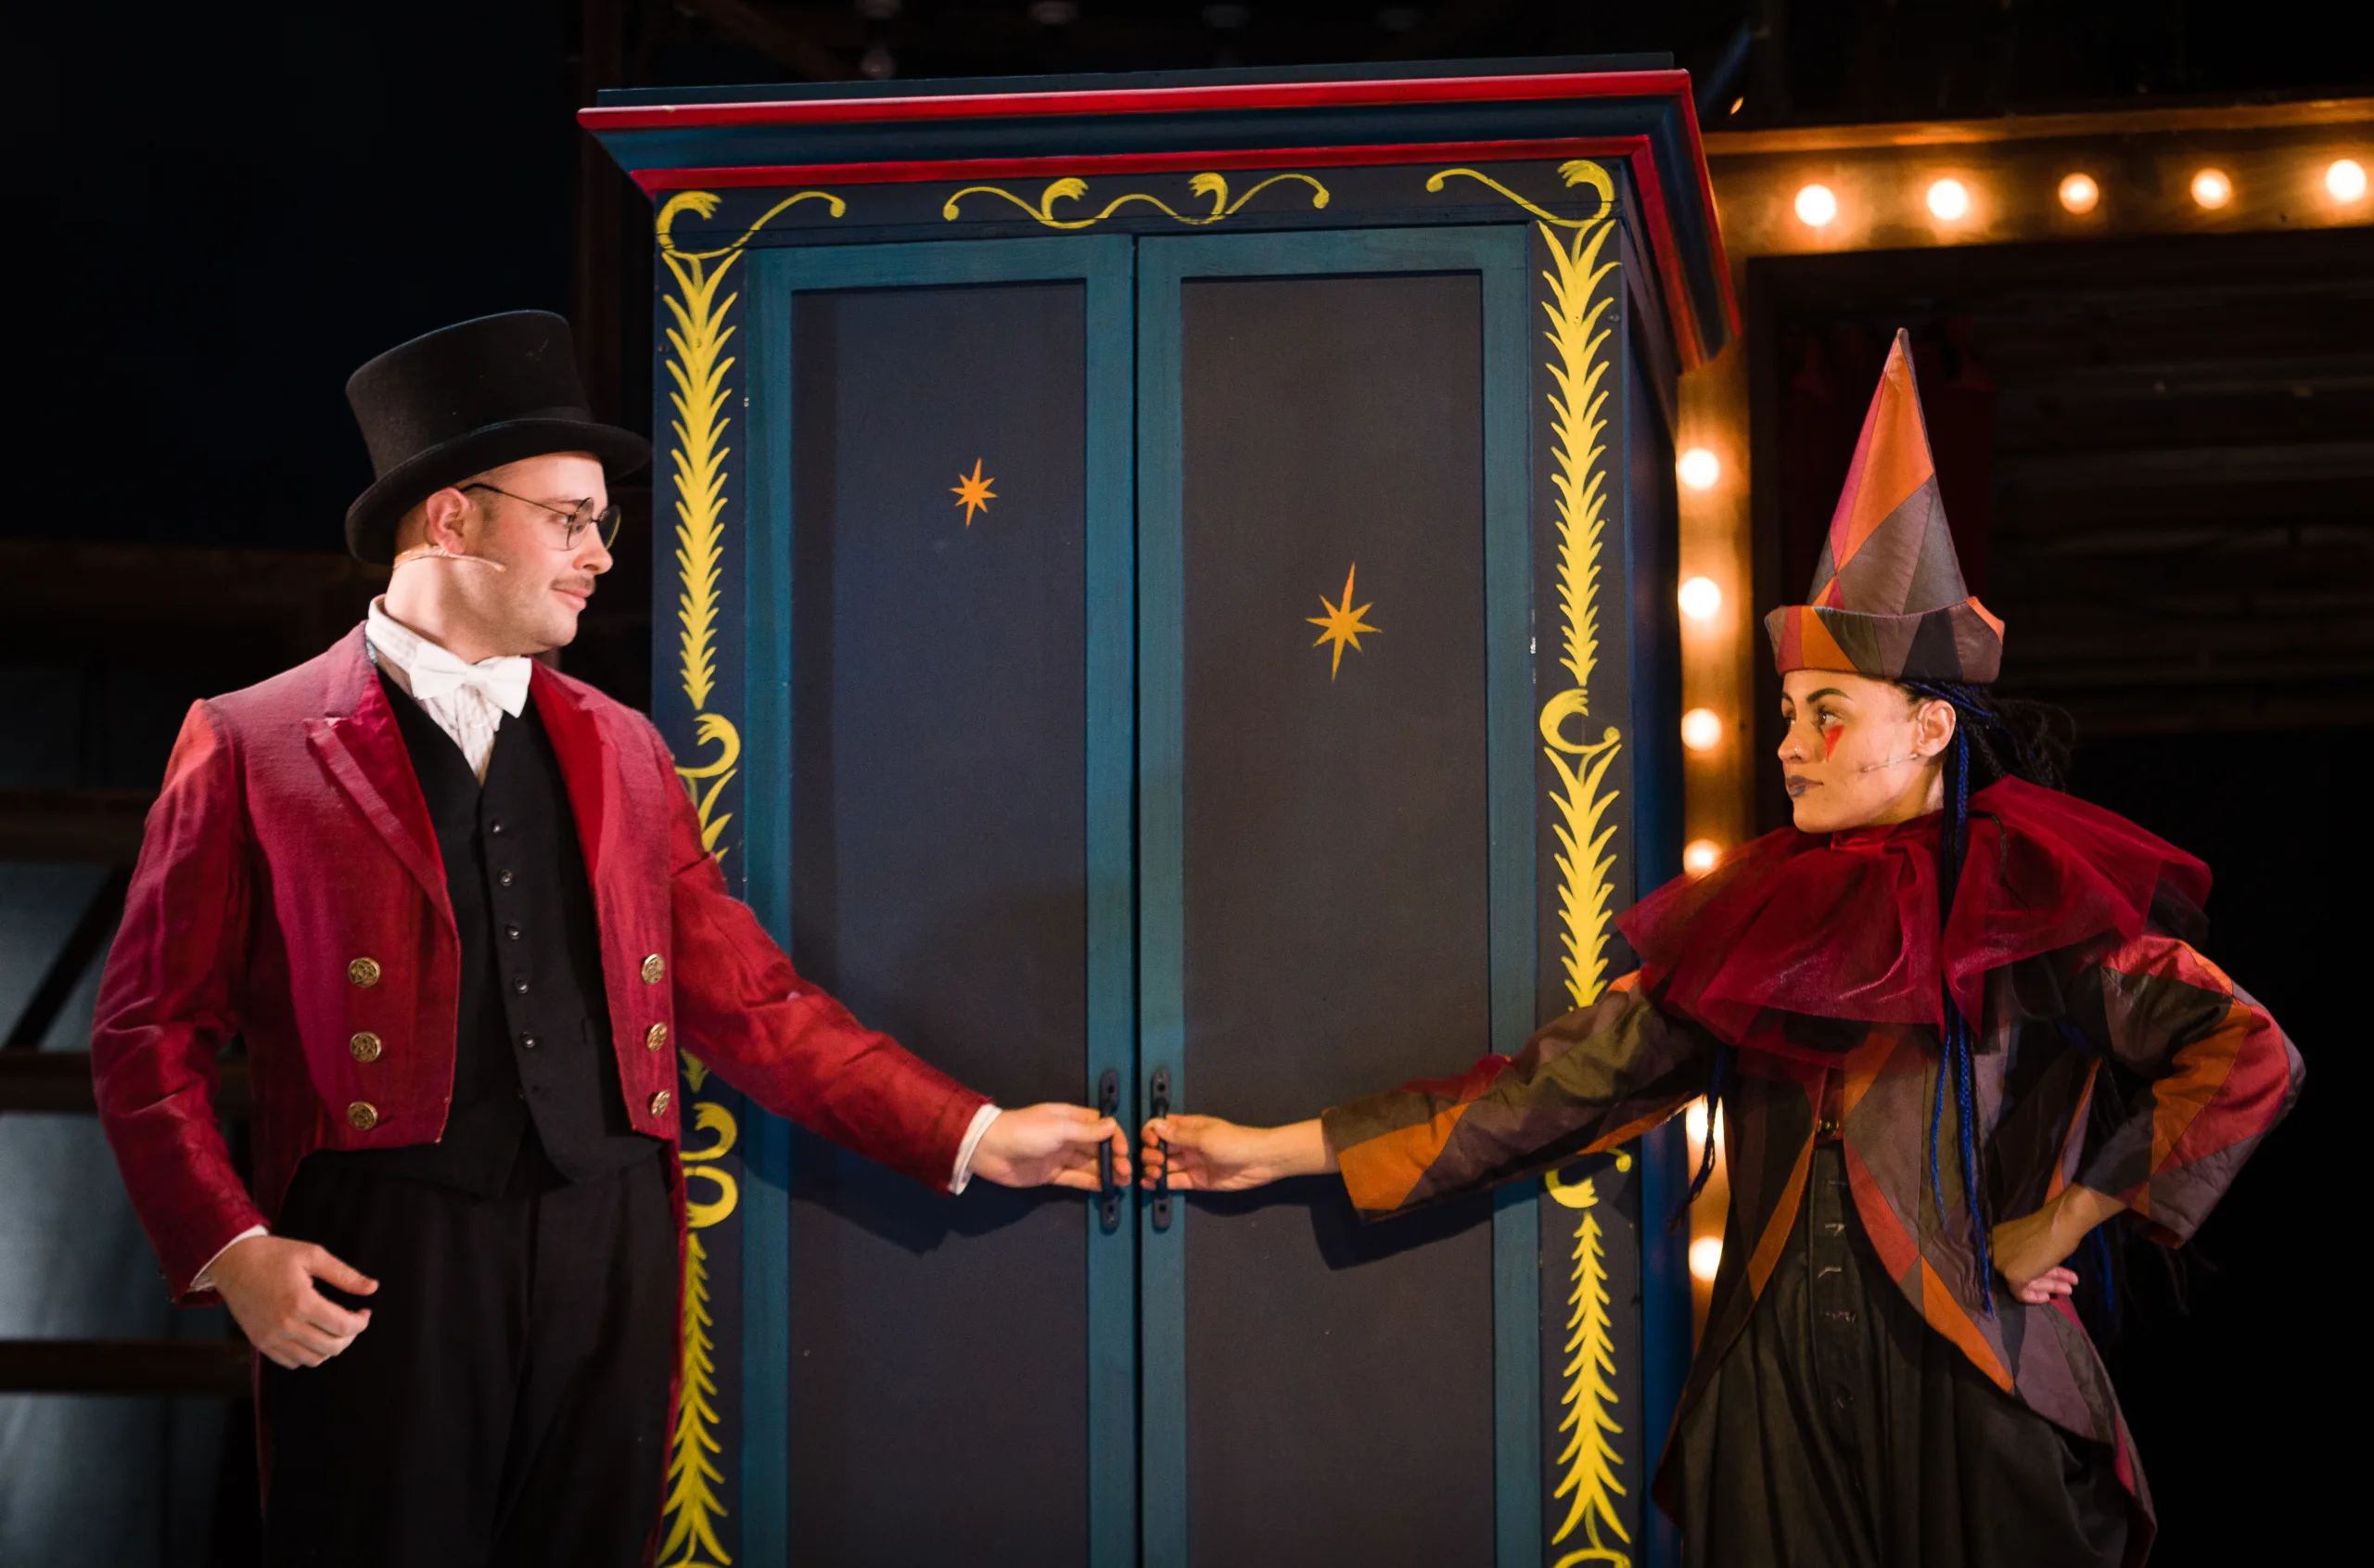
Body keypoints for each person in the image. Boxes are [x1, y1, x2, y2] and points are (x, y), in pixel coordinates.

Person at [1140, 330, 2301, 1568]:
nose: (1790, 744)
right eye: (1788, 714)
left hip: (1968, 1376)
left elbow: (2245, 1054)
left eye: (1828, 714)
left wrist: (2061, 1219)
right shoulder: (1763, 916)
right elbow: (1555, 1086)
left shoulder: (2024, 903)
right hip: (1775, 1390)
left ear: (1923, 725)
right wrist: (1274, 1148)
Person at [88, 311, 1127, 1567]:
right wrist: (232, 1246)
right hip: (381, 1262)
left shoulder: (624, 748)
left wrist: (970, 1129)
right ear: (453, 519)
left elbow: (755, 1004)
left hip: (610, 1246)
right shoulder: (251, 740)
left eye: (602, 525)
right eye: (569, 519)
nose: (597, 556)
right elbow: (148, 1033)